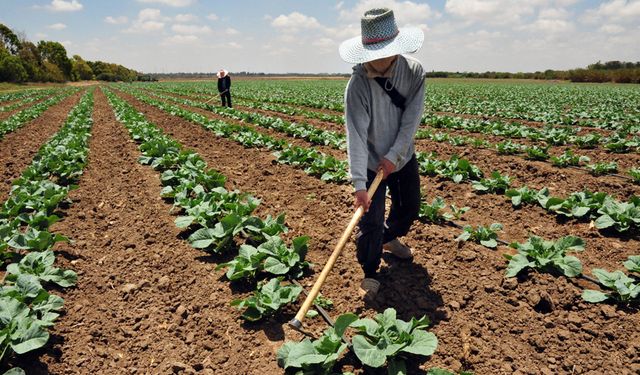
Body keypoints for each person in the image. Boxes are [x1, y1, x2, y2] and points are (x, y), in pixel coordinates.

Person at [339, 8, 426, 301]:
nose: (378, 59)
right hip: (369, 161)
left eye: (384, 52)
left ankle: (388, 240)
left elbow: (410, 121)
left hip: (401, 157)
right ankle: (370, 271)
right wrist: (359, 186)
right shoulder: (358, 85)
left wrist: (393, 157)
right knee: (370, 220)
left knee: (409, 208)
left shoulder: (414, 72)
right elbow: (357, 135)